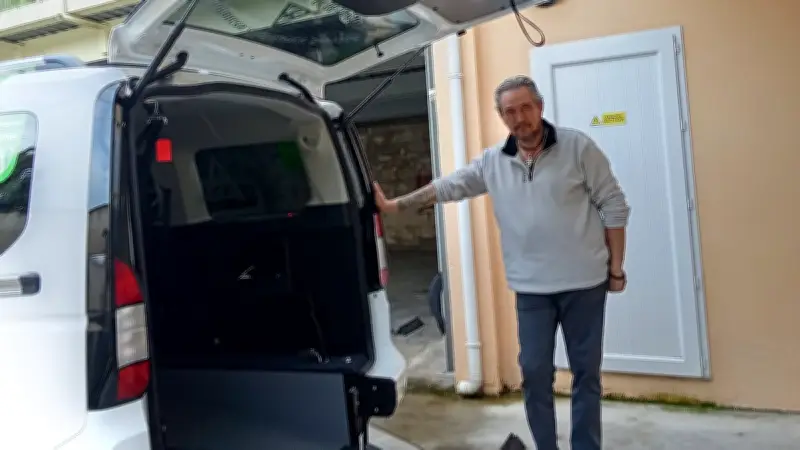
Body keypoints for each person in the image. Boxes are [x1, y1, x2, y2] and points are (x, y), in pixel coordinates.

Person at [373, 75, 630, 450]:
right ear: (501, 116)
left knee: (586, 374)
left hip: (584, 284)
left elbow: (614, 205)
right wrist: (396, 206)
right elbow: (449, 186)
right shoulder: (493, 162)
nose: (520, 118)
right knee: (535, 373)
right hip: (531, 289)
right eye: (510, 111)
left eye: (526, 107)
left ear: (539, 107)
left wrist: (616, 269)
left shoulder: (578, 148)